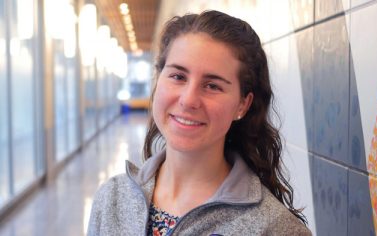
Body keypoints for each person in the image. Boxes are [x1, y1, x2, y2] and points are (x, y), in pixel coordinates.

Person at [88, 10, 311, 236]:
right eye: (178, 77)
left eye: (212, 85)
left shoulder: (276, 228)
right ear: (158, 80)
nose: (188, 100)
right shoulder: (112, 200)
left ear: (242, 104)